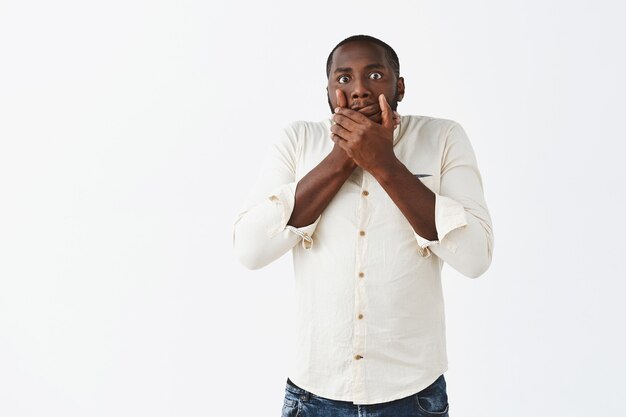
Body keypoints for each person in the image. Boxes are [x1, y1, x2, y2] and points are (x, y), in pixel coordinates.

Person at [233, 34, 493, 417]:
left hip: (412, 394)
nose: (358, 90)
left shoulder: (443, 139)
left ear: (398, 85)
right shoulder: (298, 141)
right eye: (343, 79)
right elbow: (250, 250)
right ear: (327, 89)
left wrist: (384, 163)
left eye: (374, 75)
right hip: (314, 393)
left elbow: (475, 258)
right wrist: (342, 158)